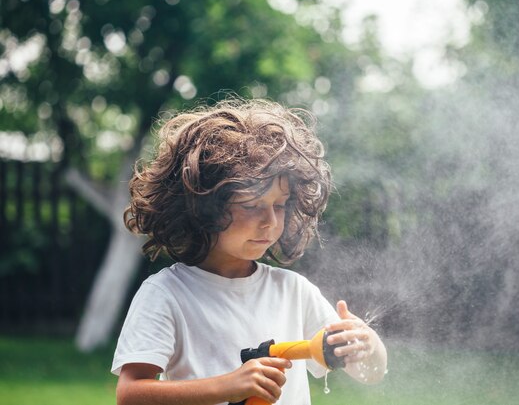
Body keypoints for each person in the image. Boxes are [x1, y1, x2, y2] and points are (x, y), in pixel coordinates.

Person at [112, 98, 387, 405]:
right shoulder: (166, 293)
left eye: (280, 205)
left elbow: (369, 372)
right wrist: (227, 386)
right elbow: (130, 395)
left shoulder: (293, 292)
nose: (270, 221)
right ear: (203, 206)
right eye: (253, 205)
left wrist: (367, 344)